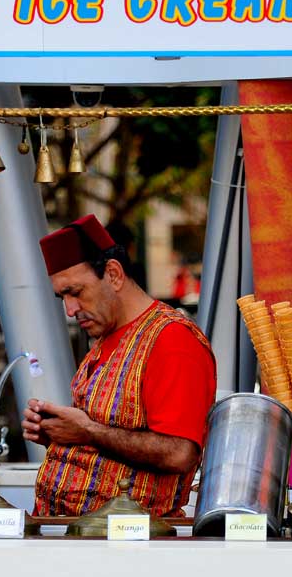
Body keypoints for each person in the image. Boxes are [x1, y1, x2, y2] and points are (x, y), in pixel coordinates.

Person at [23, 214, 216, 517]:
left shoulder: (172, 340)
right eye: (62, 297)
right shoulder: (105, 337)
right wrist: (59, 433)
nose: (70, 309)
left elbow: (180, 453)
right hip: (80, 535)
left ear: (113, 274)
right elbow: (110, 437)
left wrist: (86, 430)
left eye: (75, 292)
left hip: (127, 541)